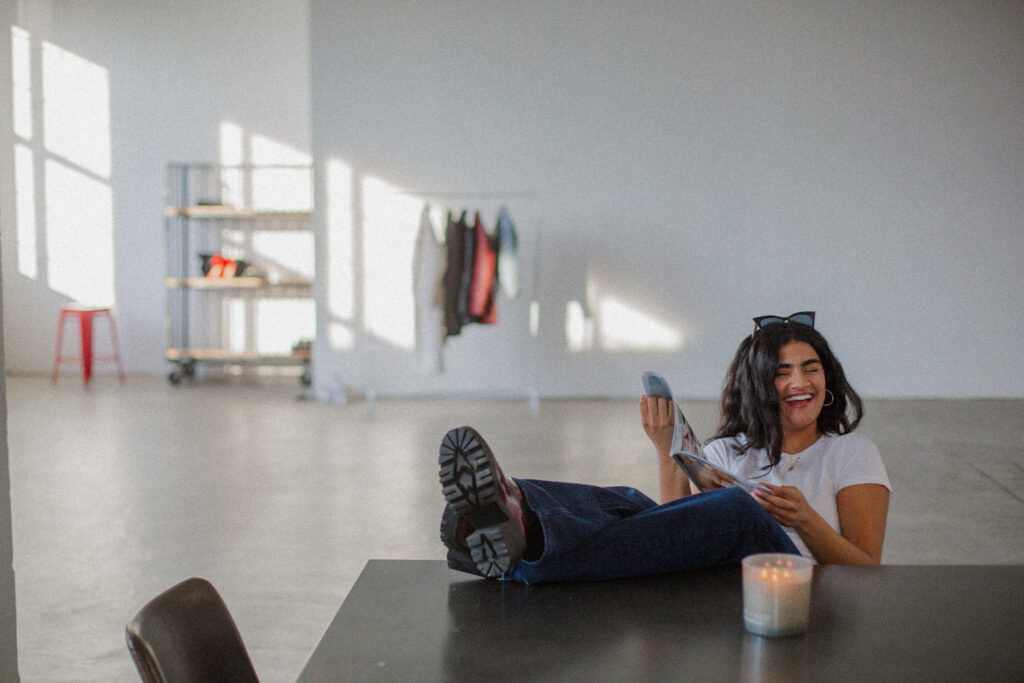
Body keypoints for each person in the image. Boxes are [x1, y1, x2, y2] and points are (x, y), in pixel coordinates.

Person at [437, 312, 891, 583]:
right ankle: (520, 508)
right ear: (757, 386)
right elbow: (671, 535)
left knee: (738, 509)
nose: (798, 382)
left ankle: (521, 539)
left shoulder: (850, 453)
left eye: (810, 369)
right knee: (627, 502)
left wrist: (806, 521)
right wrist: (664, 448)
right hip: (721, 588)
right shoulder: (725, 453)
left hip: (796, 589)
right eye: (781, 372)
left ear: (825, 380)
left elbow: (867, 568)